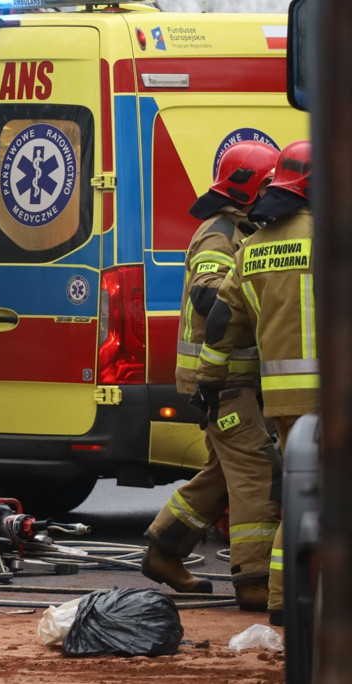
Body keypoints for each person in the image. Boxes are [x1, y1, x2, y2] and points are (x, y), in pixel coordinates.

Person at [141, 141, 281, 611]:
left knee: (222, 474)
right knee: (257, 473)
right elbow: (206, 296)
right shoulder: (220, 235)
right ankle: (254, 580)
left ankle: (164, 551)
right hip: (224, 379)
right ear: (250, 189)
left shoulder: (241, 229)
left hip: (227, 379)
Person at [195, 139, 317, 627]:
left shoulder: (253, 247)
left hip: (285, 401)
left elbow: (222, 321)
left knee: (301, 497)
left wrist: (207, 380)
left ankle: (287, 599)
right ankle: (302, 599)